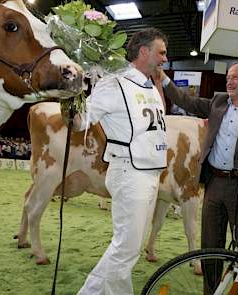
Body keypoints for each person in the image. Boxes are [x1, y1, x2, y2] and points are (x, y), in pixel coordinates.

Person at [155, 60, 238, 293]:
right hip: (214, 184)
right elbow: (186, 101)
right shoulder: (219, 102)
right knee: (210, 246)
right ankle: (211, 291)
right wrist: (163, 78)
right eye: (228, 77)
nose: (229, 81)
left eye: (235, 77)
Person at [68, 28, 168, 295]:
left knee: (127, 249)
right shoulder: (114, 83)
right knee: (125, 250)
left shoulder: (149, 85)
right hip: (130, 173)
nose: (165, 58)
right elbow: (79, 122)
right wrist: (71, 90)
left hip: (150, 174)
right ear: (144, 52)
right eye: (161, 52)